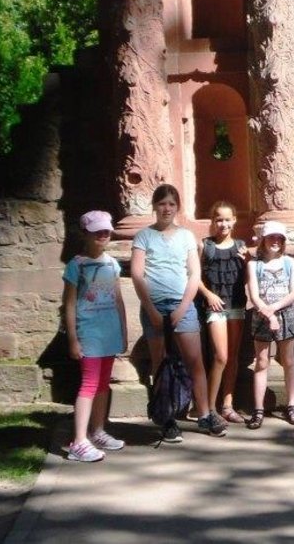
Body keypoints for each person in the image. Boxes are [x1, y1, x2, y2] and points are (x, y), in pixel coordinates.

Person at [131, 184, 227, 442]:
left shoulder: (186, 236)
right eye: (162, 203)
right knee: (160, 363)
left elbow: (194, 273)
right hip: (154, 305)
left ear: (177, 208)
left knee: (194, 361)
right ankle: (167, 418)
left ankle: (205, 414)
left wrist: (184, 306)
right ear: (154, 206)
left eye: (171, 204)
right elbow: (137, 274)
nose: (166, 209)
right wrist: (150, 309)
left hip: (181, 306)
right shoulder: (143, 237)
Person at [61, 210, 128, 462]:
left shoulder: (112, 264)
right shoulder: (76, 265)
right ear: (85, 234)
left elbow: (119, 300)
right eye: (97, 231)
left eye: (106, 231)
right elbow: (68, 304)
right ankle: (78, 441)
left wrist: (123, 332)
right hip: (88, 333)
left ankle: (98, 430)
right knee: (89, 384)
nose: (103, 235)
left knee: (102, 384)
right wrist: (73, 339)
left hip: (108, 333)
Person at [246, 221, 294, 428]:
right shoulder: (254, 265)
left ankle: (292, 404)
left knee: (288, 360)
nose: (275, 241)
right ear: (263, 240)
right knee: (261, 362)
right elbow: (254, 295)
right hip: (261, 316)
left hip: (285, 314)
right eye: (271, 237)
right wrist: (268, 314)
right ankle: (258, 408)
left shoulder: (290, 263)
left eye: (279, 238)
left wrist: (274, 309)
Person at [197, 201, 249, 424]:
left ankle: (228, 405)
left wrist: (250, 262)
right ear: (213, 221)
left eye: (227, 219)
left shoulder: (241, 246)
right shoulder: (204, 246)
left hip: (236, 304)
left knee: (233, 357)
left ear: (234, 220)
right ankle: (209, 408)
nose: (223, 223)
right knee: (220, 356)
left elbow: (249, 278)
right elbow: (194, 277)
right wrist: (208, 294)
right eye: (219, 219)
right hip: (215, 306)